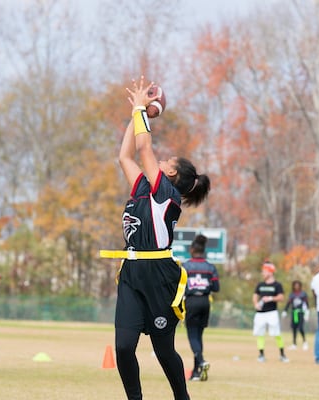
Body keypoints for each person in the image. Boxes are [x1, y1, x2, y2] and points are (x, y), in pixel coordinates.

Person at [102, 76, 210, 400]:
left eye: (167, 163)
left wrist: (141, 111)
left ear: (172, 174)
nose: (161, 162)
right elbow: (126, 156)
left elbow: (145, 146)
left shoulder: (166, 193)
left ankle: (183, 398)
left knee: (164, 351)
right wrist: (134, 113)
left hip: (159, 276)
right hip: (132, 273)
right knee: (123, 346)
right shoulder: (144, 189)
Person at [182, 234, 220, 382]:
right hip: (205, 301)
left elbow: (179, 287)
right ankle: (196, 372)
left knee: (192, 335)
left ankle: (202, 361)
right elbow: (216, 287)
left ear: (192, 250)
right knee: (199, 336)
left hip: (191, 302)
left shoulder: (186, 266)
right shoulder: (210, 267)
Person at [252, 261, 289, 363]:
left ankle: (282, 354)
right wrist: (256, 304)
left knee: (276, 333)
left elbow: (281, 297)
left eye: (264, 271)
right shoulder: (260, 284)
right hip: (260, 313)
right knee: (260, 333)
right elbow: (255, 296)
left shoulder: (277, 285)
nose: (262, 273)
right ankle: (261, 354)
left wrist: (271, 298)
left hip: (272, 312)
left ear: (270, 272)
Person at [282, 280, 309, 351]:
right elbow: (288, 303)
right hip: (294, 313)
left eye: (298, 285)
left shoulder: (303, 294)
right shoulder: (292, 294)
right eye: (295, 285)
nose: (296, 286)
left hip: (300, 313)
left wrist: (306, 313)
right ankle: (294, 344)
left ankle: (304, 342)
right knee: (294, 328)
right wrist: (285, 310)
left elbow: (306, 304)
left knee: (300, 328)